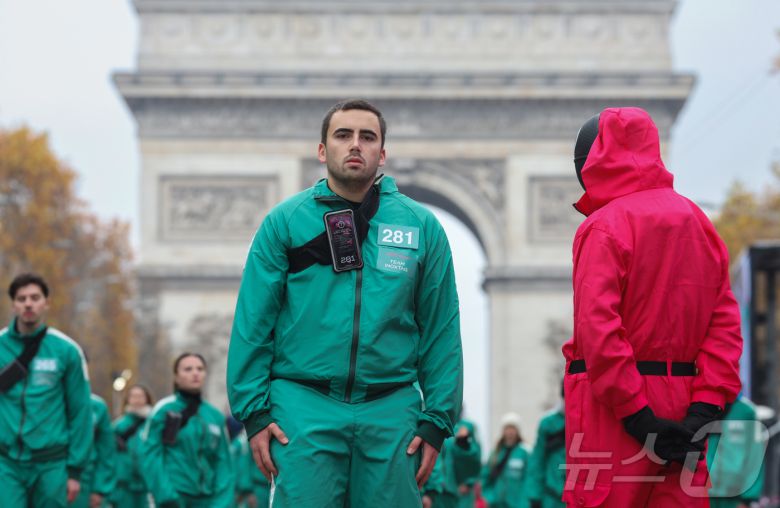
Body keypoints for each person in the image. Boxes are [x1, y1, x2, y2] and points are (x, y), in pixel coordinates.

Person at [227, 98, 463, 506]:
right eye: (343, 135)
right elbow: (253, 322)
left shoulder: (422, 227)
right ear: (322, 150)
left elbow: (441, 329)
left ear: (382, 153)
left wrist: (437, 421)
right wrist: (255, 414)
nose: (355, 145)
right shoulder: (284, 222)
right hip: (302, 407)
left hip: (392, 411)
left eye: (367, 137)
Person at [562, 107, 743, 507]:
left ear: (592, 160)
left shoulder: (603, 226)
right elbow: (725, 329)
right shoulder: (700, 223)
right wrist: (704, 410)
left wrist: (637, 415)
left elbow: (599, 329)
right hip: (687, 409)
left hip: (615, 412)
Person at [0, 273, 93, 507]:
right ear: (14, 305)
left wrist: (75, 471)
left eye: (35, 297)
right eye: (21, 299)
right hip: (6, 463)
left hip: (51, 464)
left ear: (46, 303)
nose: (28, 304)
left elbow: (80, 411)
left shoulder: (67, 351)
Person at [140, 353, 234, 507]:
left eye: (200, 368)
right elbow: (151, 455)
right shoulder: (163, 411)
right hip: (175, 498)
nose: (195, 373)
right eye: (188, 369)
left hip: (209, 499)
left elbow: (223, 461)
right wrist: (166, 496)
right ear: (176, 377)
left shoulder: (215, 416)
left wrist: (222, 502)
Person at [707, 394, 765, 508]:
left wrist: (748, 498)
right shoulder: (704, 407)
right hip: (703, 492)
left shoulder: (747, 411)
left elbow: (756, 456)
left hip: (734, 496)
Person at [72, 390, 117, 508]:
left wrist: (99, 489)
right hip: (49, 479)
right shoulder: (46, 401)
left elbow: (106, 451)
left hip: (85, 481)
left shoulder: (97, 406)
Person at [111, 384, 154, 508]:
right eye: (134, 396)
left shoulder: (152, 425)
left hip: (146, 483)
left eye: (140, 396)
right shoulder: (118, 426)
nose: (137, 400)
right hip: (123, 483)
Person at [481, 413, 530, 508]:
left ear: (518, 431)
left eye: (513, 428)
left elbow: (529, 480)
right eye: (507, 428)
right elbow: (485, 477)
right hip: (497, 504)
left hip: (518, 504)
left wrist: (524, 503)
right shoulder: (495, 453)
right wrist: (490, 497)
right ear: (503, 431)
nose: (510, 432)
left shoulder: (525, 453)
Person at [526, 389, 565, 508]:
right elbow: (537, 461)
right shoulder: (548, 423)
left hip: (584, 496)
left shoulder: (592, 419)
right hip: (552, 496)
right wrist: (535, 496)